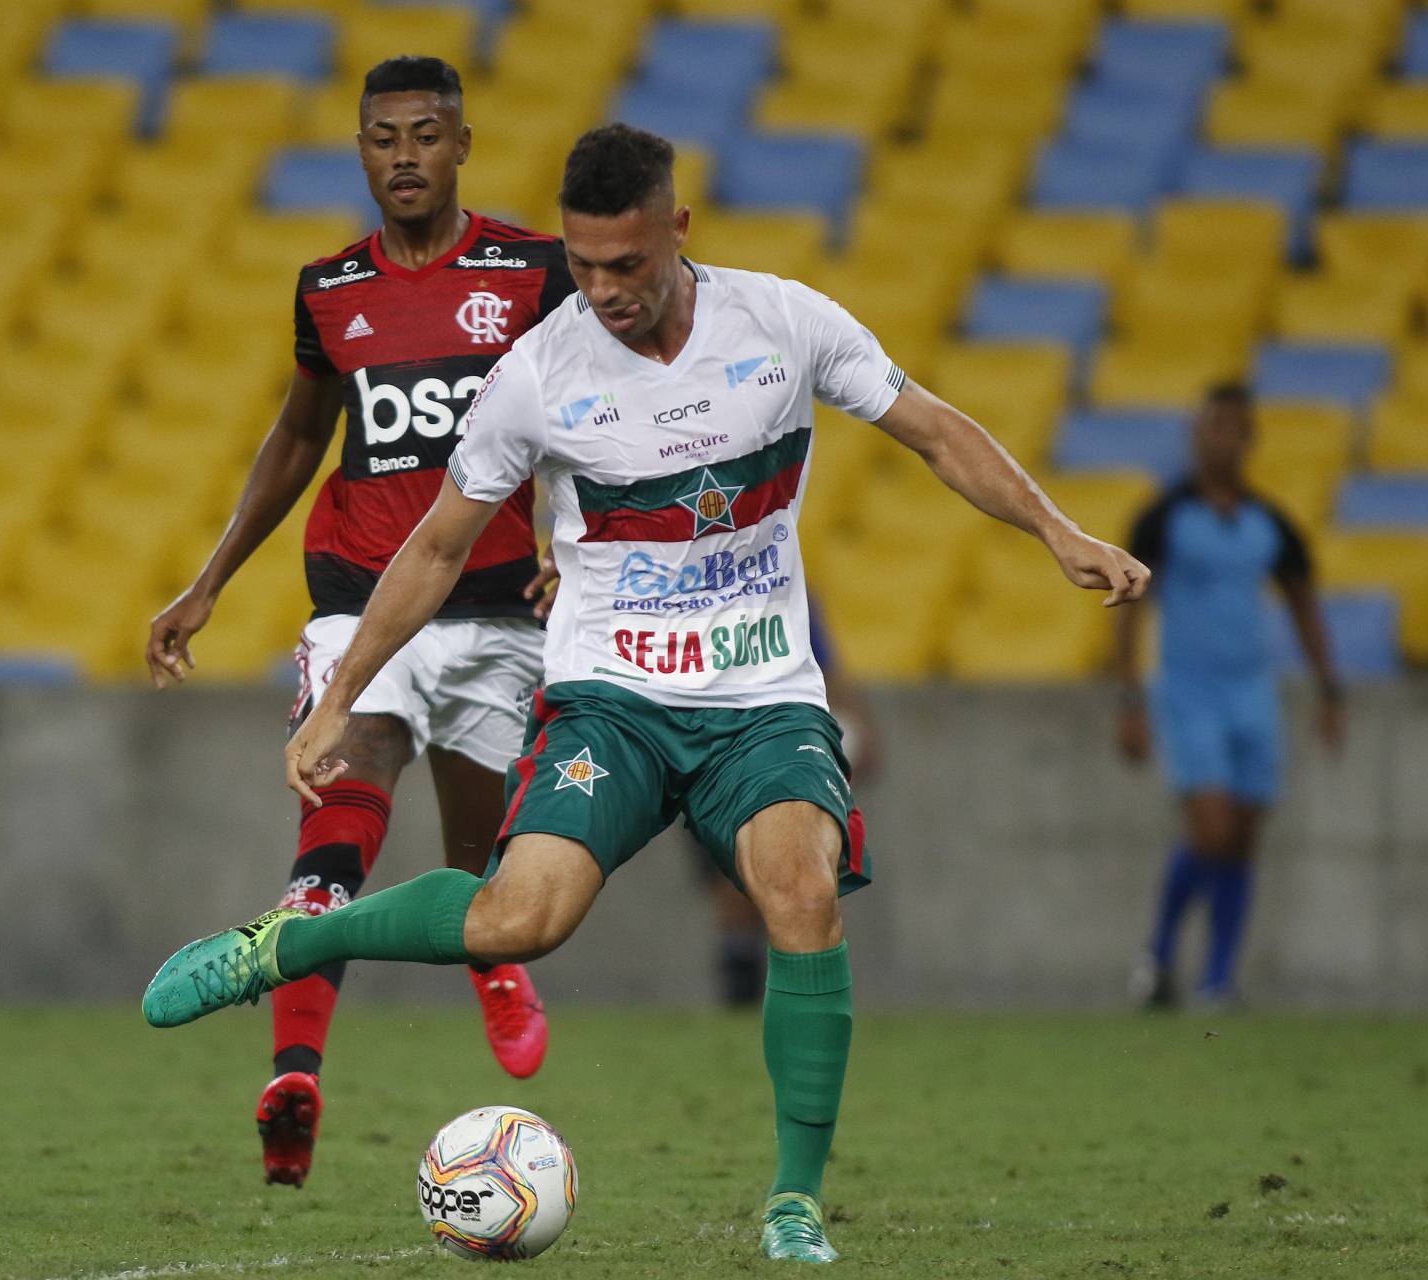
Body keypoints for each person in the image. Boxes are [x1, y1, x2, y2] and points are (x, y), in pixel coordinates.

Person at [143, 123, 1150, 1263]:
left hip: (761, 697)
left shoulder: (781, 322)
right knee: (518, 919)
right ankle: (285, 946)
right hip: (612, 700)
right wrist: (339, 698)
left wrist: (1056, 530)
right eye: (581, 265)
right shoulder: (539, 373)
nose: (604, 291)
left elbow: (934, 431)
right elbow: (432, 548)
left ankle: (795, 1201)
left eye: (627, 264)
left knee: (800, 893)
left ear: (678, 229)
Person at [142, 56, 575, 1187]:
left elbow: (591, 419)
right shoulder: (328, 287)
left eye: (426, 135)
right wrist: (210, 580)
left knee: (480, 857)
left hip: (496, 606)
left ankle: (488, 953)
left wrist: (578, 546)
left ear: (463, 145)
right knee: (348, 780)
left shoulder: (532, 272)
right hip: (358, 599)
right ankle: (295, 1070)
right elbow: (297, 438)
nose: (404, 158)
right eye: (383, 138)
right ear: (362, 149)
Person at [1117, 383, 1343, 1010]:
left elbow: (1303, 602)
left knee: (1244, 836)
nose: (1225, 439)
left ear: (1249, 439)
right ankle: (1157, 956)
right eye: (1215, 426)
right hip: (1187, 690)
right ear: (1197, 434)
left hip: (1252, 691)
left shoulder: (1269, 523)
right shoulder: (1164, 517)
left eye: (1237, 429)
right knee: (1211, 831)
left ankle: (1217, 980)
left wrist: (1329, 689)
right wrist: (1129, 699)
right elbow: (1128, 608)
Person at [700, 594, 880, 1006]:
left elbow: (829, 670)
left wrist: (859, 723)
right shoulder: (679, 591)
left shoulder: (781, 590)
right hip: (704, 745)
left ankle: (801, 993)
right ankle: (743, 997)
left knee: (800, 878)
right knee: (732, 883)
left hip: (776, 744)